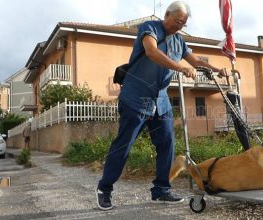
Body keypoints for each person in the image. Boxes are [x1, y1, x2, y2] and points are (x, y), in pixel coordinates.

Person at [96, 1, 228, 211]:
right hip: (135, 97)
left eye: (182, 24)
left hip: (161, 100)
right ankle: (105, 189)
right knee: (124, 145)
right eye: (177, 21)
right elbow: (151, 52)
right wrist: (180, 68)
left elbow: (195, 62)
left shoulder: (179, 41)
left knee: (167, 144)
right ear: (167, 14)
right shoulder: (149, 28)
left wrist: (216, 69)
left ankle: (160, 191)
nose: (178, 26)